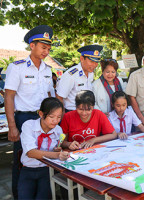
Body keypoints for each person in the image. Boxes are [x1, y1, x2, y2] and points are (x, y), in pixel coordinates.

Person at [4, 25, 54, 199]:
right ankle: (20, 195)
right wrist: (12, 126)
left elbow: (50, 97)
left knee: (44, 156)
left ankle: (43, 193)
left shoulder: (48, 70)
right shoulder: (17, 67)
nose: (46, 51)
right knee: (22, 158)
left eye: (48, 48)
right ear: (32, 45)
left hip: (44, 118)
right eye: (43, 47)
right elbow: (8, 97)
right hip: (24, 118)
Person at [18, 97, 69, 200]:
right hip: (28, 170)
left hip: (47, 170)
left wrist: (61, 148)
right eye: (51, 116)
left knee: (43, 197)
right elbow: (31, 153)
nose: (56, 121)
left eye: (59, 117)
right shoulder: (28, 126)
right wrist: (57, 155)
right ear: (41, 114)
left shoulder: (58, 130)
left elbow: (59, 145)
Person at [56, 45, 103, 112]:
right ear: (82, 59)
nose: (94, 65)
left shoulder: (90, 73)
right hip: (72, 113)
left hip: (86, 113)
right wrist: (64, 118)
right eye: (92, 62)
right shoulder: (71, 75)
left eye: (96, 62)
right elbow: (59, 97)